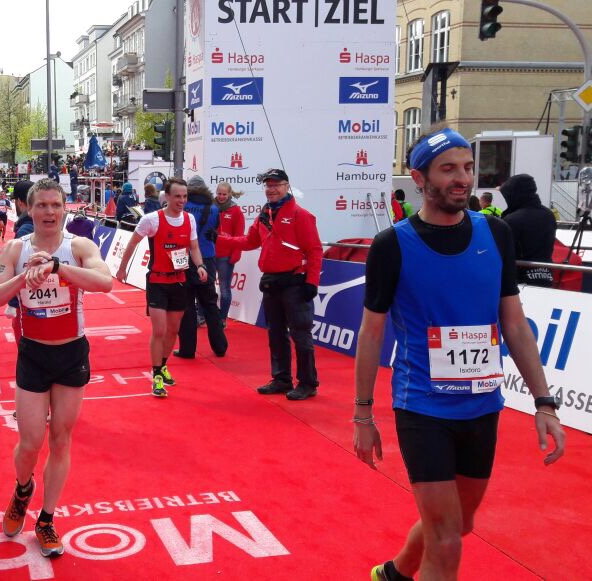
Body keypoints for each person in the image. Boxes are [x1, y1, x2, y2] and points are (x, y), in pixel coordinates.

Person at [355, 128, 565, 581]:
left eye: (467, 168)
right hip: (423, 407)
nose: (462, 178)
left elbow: (513, 322)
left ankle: (393, 574)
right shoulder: (392, 245)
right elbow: (372, 333)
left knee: (459, 525)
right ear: (419, 177)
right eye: (448, 169)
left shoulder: (497, 232)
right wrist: (362, 414)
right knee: (447, 541)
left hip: (482, 406)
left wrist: (544, 401)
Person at [0, 179, 112, 558]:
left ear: (65, 208)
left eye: (56, 205)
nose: (49, 212)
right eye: (42, 206)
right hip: (34, 355)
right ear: (29, 209)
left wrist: (59, 268)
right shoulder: (15, 248)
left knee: (61, 440)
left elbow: (105, 282)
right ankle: (23, 489)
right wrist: (26, 276)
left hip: (72, 354)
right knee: (30, 443)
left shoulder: (79, 246)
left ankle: (47, 519)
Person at [218, 168, 322, 400]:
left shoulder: (300, 215)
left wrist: (312, 282)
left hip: (296, 282)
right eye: (268, 185)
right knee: (275, 334)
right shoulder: (264, 215)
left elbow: (315, 250)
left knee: (301, 334)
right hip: (272, 282)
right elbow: (249, 241)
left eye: (276, 185)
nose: (271, 189)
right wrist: (221, 240)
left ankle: (308, 382)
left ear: (287, 186)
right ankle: (281, 378)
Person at [117, 178, 209, 398]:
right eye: (177, 196)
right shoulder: (151, 220)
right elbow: (132, 243)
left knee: (173, 330)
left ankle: (163, 364)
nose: (181, 201)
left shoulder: (190, 219)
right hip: (158, 281)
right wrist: (122, 269)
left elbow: (194, 247)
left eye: (184, 196)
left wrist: (201, 266)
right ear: (166, 197)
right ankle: (157, 375)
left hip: (179, 281)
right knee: (159, 330)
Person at [174, 176, 228, 358]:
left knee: (187, 305)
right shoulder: (213, 209)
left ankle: (187, 349)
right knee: (210, 303)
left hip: (183, 257)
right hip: (208, 257)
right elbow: (215, 231)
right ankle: (220, 346)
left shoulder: (182, 207)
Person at [500, 173, 557, 287]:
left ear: (513, 195)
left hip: (519, 278)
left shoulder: (512, 219)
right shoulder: (549, 214)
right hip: (547, 274)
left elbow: (504, 251)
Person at [214, 181, 245, 323]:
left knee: (224, 288)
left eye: (224, 194)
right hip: (209, 254)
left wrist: (236, 253)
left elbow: (239, 235)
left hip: (225, 256)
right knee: (205, 287)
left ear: (229, 194)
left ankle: (222, 319)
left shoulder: (236, 211)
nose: (221, 196)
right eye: (219, 193)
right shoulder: (211, 207)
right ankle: (202, 316)